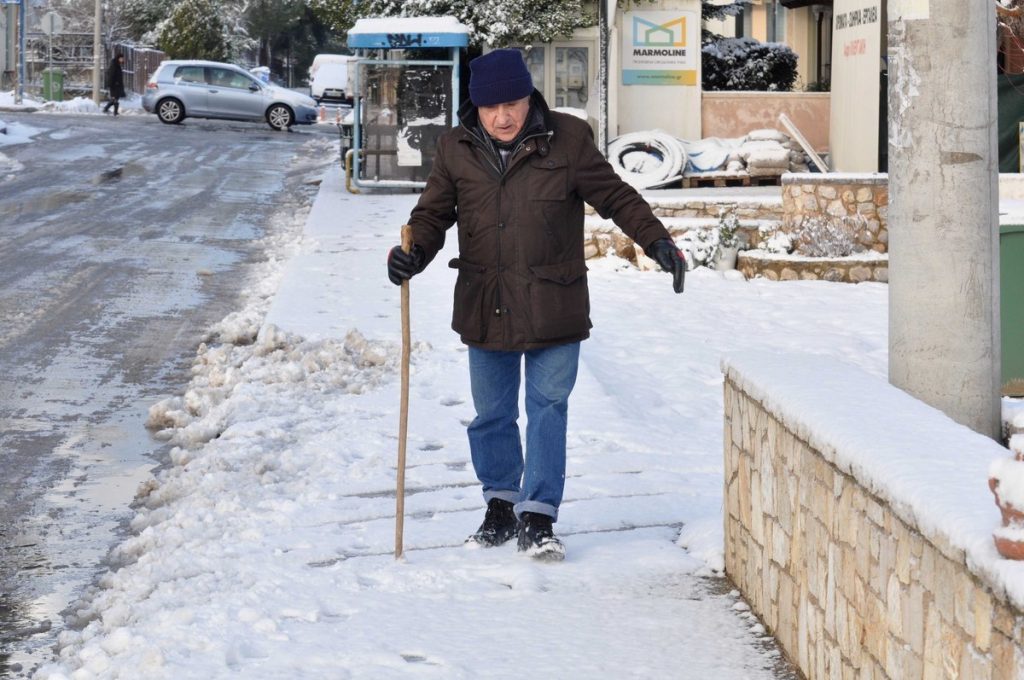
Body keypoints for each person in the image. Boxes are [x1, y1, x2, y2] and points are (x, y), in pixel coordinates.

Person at [386, 49, 685, 562]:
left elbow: (615, 196)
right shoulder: (456, 148)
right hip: (487, 301)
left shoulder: (567, 139)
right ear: (474, 107)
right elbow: (432, 215)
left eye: (513, 103)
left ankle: (539, 514)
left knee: (548, 409)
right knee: (491, 415)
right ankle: (500, 504)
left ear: (530, 97)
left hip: (554, 301)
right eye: (490, 106)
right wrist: (413, 252)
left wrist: (657, 241)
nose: (503, 116)